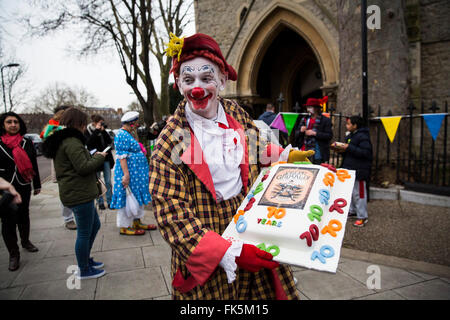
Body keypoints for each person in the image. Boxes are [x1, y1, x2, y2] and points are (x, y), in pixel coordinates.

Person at [149, 33, 301, 300]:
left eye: (206, 78)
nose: (197, 88)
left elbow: (255, 148)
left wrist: (288, 158)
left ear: (222, 80)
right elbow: (172, 216)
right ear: (178, 83)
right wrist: (226, 252)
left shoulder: (236, 113)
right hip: (207, 237)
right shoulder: (169, 142)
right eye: (188, 79)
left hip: (250, 225)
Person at [42, 107, 106, 280]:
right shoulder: (71, 141)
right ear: (78, 123)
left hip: (80, 191)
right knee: (85, 232)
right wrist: (99, 157)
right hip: (79, 193)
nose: (85, 127)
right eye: (83, 123)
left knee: (95, 226)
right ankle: (83, 269)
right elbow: (83, 167)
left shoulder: (68, 140)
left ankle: (86, 259)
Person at [0, 112, 41, 271]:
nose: (13, 125)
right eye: (9, 122)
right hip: (5, 187)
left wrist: (37, 184)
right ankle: (13, 254)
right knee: (8, 221)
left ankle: (25, 241)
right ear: (3, 125)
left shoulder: (26, 142)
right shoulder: (0, 143)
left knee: (24, 214)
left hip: (23, 184)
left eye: (15, 122)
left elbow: (33, 164)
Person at [109, 111, 156, 235]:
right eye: (136, 123)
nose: (137, 125)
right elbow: (122, 157)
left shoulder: (127, 134)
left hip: (137, 174)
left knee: (135, 196)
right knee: (127, 198)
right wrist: (126, 175)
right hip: (130, 173)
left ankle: (136, 221)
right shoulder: (122, 135)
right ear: (132, 123)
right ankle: (125, 226)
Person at [41, 105, 77, 230]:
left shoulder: (72, 127)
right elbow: (47, 144)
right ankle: (68, 219)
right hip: (61, 163)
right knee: (65, 191)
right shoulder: (52, 127)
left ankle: (74, 216)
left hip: (73, 163)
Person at [334, 115, 373, 227]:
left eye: (349, 124)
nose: (347, 126)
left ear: (355, 125)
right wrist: (340, 149)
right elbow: (350, 151)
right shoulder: (352, 136)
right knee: (350, 192)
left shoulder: (363, 137)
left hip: (360, 170)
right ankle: (352, 211)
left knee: (359, 193)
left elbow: (365, 153)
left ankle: (362, 216)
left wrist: (348, 147)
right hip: (350, 168)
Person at [85, 114, 114, 210]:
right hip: (95, 159)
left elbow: (109, 141)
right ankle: (100, 202)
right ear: (94, 123)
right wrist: (96, 131)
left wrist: (103, 131)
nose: (102, 124)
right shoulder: (88, 130)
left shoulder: (103, 130)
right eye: (100, 122)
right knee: (97, 182)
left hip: (105, 158)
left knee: (108, 182)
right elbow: (89, 144)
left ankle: (110, 201)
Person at [297, 98, 333, 164]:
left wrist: (315, 133)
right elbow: (297, 135)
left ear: (316, 108)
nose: (308, 109)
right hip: (304, 150)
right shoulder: (304, 119)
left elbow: (329, 136)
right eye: (307, 107)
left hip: (318, 153)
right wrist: (301, 131)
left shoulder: (325, 120)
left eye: (310, 107)